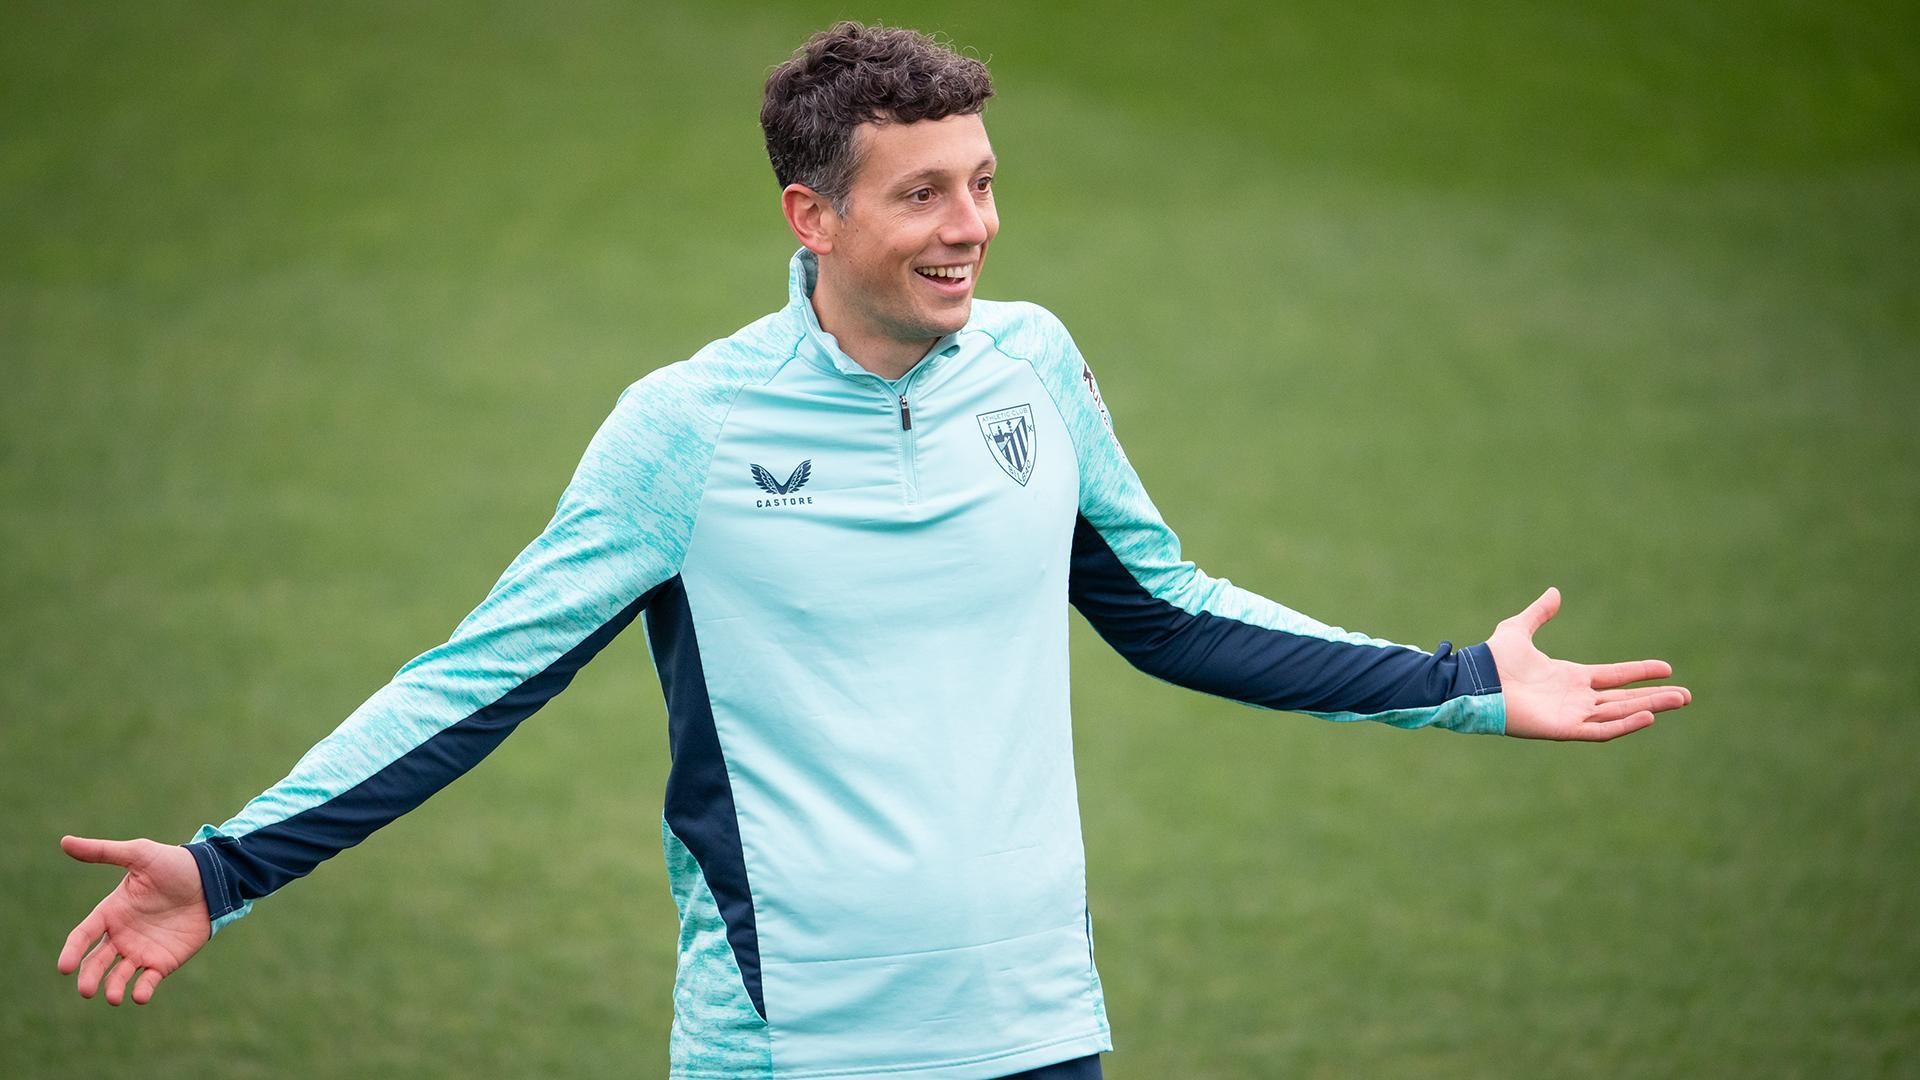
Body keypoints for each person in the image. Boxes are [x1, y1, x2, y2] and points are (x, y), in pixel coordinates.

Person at [56, 22, 1690, 1079]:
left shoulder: (1036, 368)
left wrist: (1468, 684)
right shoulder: (681, 435)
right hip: (798, 1039)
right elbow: (473, 681)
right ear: (810, 218)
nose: (969, 226)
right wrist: (228, 864)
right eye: (921, 196)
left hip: (1038, 1016)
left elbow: (1169, 611)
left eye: (980, 184)